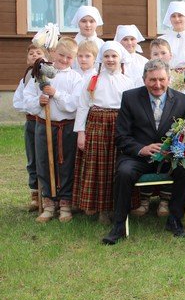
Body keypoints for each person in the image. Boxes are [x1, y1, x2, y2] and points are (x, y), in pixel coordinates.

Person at [102, 59, 185, 245]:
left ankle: (174, 219)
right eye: (152, 80)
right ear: (144, 79)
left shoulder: (183, 101)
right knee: (124, 172)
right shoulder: (130, 98)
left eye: (162, 79)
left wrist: (173, 150)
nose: (157, 84)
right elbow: (121, 136)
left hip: (168, 157)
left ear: (169, 79)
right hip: (137, 157)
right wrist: (141, 149)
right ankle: (119, 225)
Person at [73, 41, 135, 224]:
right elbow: (83, 106)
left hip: (120, 124)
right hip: (97, 125)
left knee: (117, 165)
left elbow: (133, 109)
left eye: (114, 56)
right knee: (98, 167)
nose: (110, 59)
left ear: (120, 58)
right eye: (107, 56)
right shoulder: (93, 80)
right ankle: (101, 209)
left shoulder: (128, 82)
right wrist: (81, 132)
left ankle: (118, 206)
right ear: (102, 58)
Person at [22, 37, 83, 223]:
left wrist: (55, 93)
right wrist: (38, 101)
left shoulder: (75, 78)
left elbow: (74, 104)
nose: (64, 60)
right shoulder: (41, 74)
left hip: (66, 127)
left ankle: (65, 204)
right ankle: (48, 203)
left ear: (74, 58)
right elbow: (27, 98)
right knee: (43, 162)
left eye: (69, 57)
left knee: (66, 164)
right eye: (61, 55)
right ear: (54, 53)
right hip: (44, 125)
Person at [12, 43, 48, 212]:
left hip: (46, 122)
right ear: (27, 59)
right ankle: (35, 193)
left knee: (45, 158)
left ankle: (48, 194)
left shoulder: (49, 76)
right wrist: (32, 106)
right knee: (33, 158)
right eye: (31, 53)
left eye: (38, 52)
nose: (34, 55)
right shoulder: (26, 78)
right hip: (32, 122)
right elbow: (18, 102)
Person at [159, 1, 185, 69]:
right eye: (173, 16)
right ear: (170, 19)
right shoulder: (161, 40)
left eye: (180, 15)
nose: (177, 19)